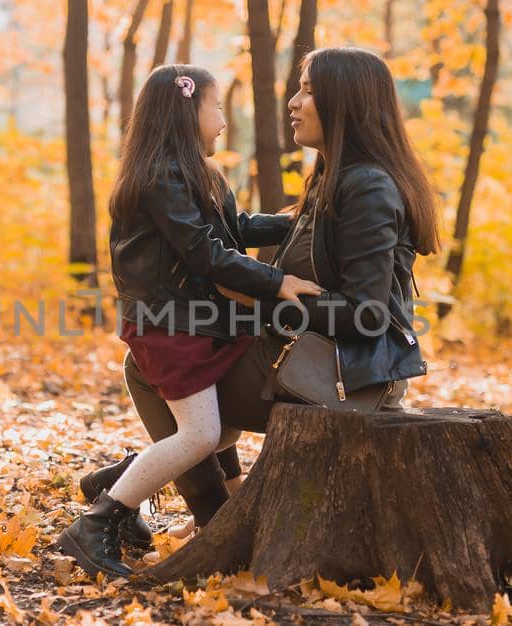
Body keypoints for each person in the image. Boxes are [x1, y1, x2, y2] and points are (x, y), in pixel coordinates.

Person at [97, 46, 442, 537]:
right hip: (317, 353)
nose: (293, 102)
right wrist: (276, 277)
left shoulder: (365, 186)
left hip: (347, 373)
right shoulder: (333, 180)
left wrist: (268, 302)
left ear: (344, 103)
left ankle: (183, 507)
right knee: (168, 362)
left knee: (157, 370)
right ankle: (192, 506)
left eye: (308, 90)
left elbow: (365, 314)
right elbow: (222, 242)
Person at [54, 64, 323, 578]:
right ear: (186, 111)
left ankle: (118, 481)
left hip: (195, 321)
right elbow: (203, 251)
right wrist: (274, 282)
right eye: (216, 107)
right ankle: (96, 524)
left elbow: (234, 229)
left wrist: (296, 219)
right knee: (200, 436)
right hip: (168, 323)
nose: (223, 120)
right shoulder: (160, 178)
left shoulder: (199, 174)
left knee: (217, 433)